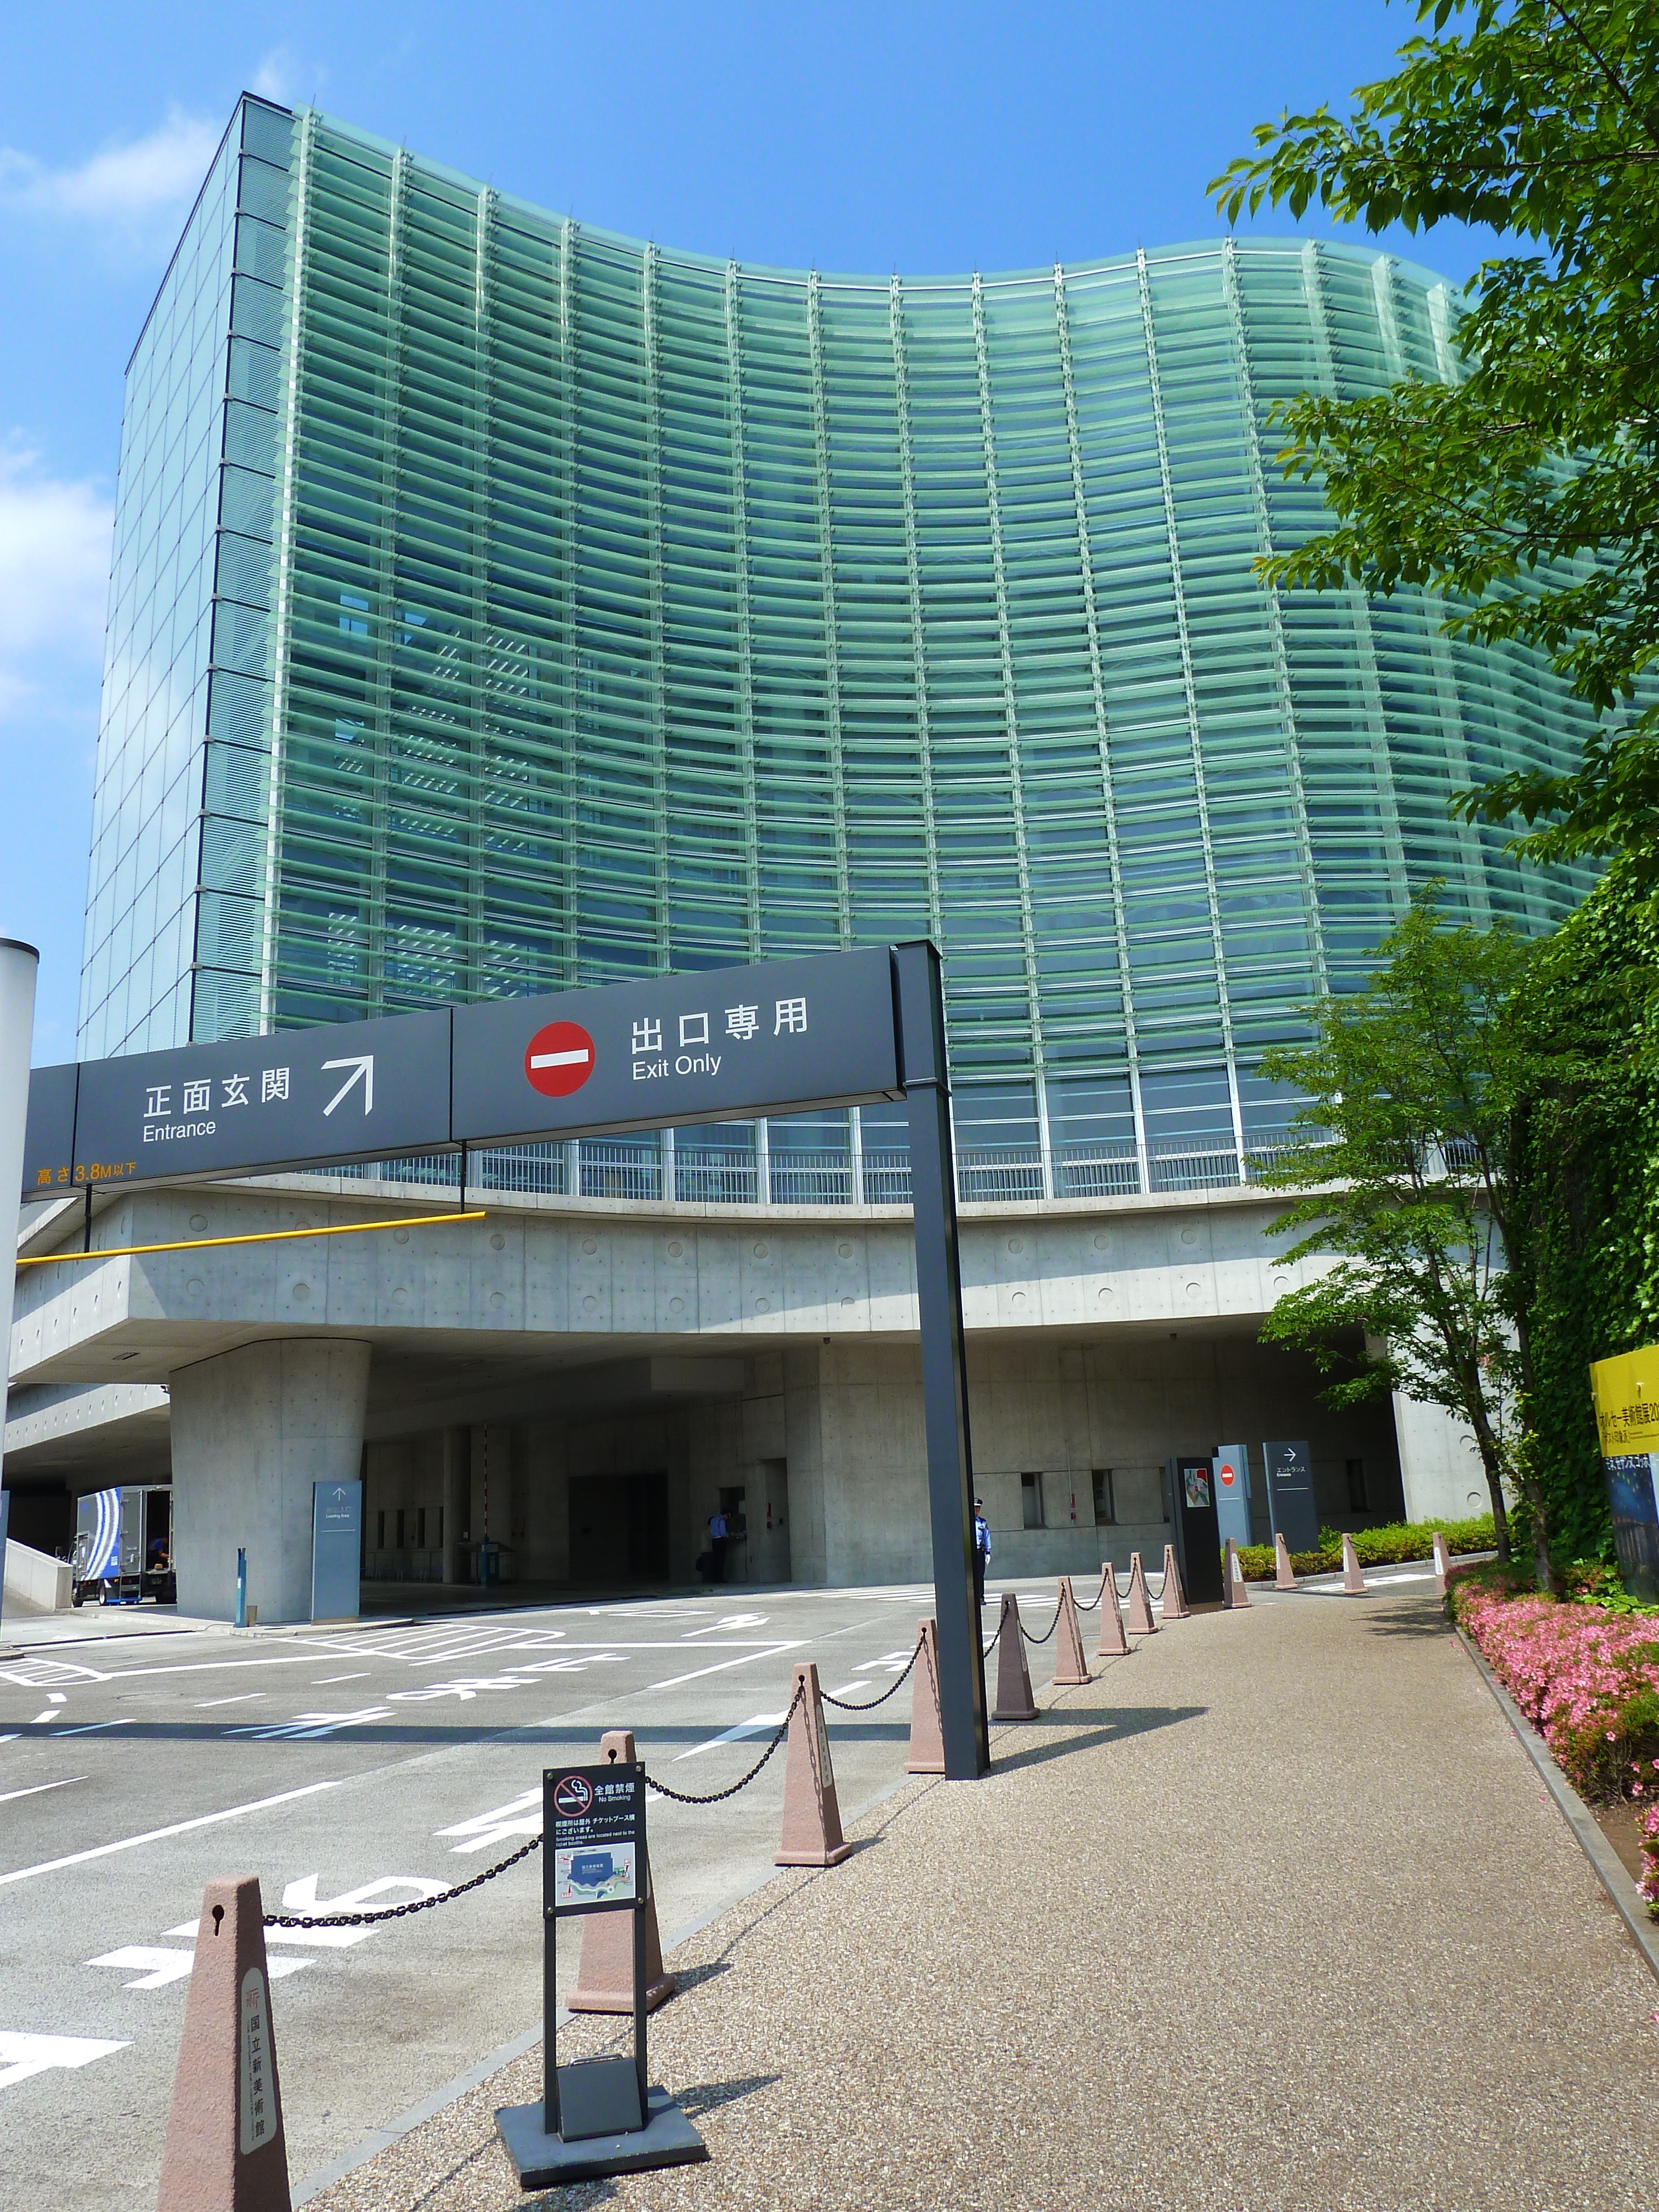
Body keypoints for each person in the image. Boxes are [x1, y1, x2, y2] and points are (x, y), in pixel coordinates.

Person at [972, 1498, 990, 1613]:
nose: (976, 1510)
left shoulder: (982, 1523)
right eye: (975, 1508)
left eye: (978, 1508)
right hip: (970, 1551)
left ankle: (981, 1597)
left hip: (980, 1551)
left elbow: (987, 1537)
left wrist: (988, 1552)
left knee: (980, 1576)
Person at [707, 1507, 729, 1585]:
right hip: (720, 1540)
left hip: (714, 1540)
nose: (727, 1519)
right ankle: (720, 1578)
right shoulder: (722, 1521)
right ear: (725, 1515)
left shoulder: (713, 1520)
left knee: (715, 1560)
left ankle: (714, 1578)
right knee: (721, 1560)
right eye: (727, 1517)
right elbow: (723, 1533)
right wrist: (729, 1535)